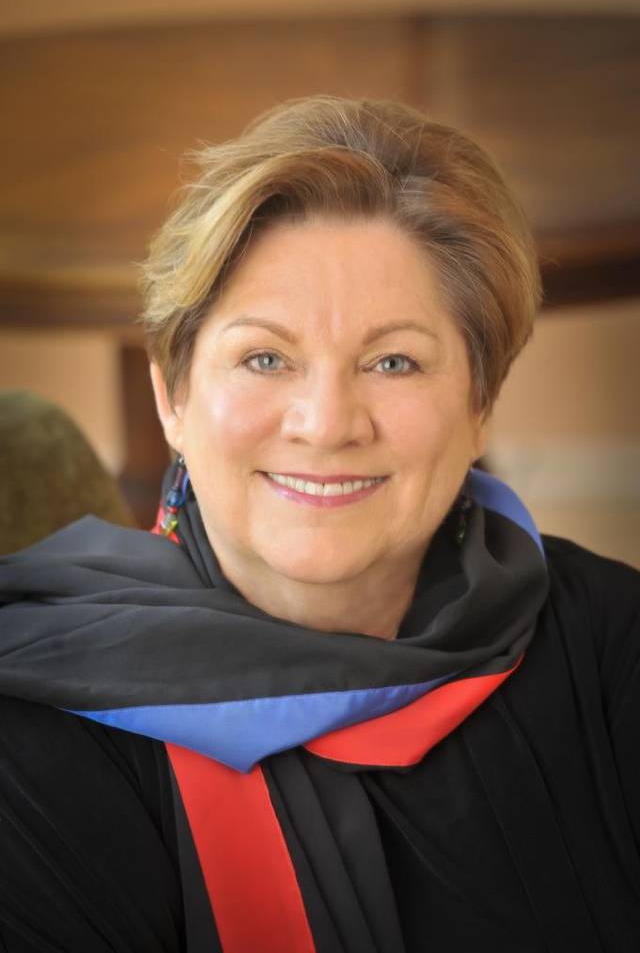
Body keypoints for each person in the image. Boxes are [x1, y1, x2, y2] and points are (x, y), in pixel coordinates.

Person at [0, 95, 639, 953]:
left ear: (480, 404)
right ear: (172, 398)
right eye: (265, 357)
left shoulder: (612, 645)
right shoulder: (36, 744)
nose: (328, 423)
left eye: (393, 361)